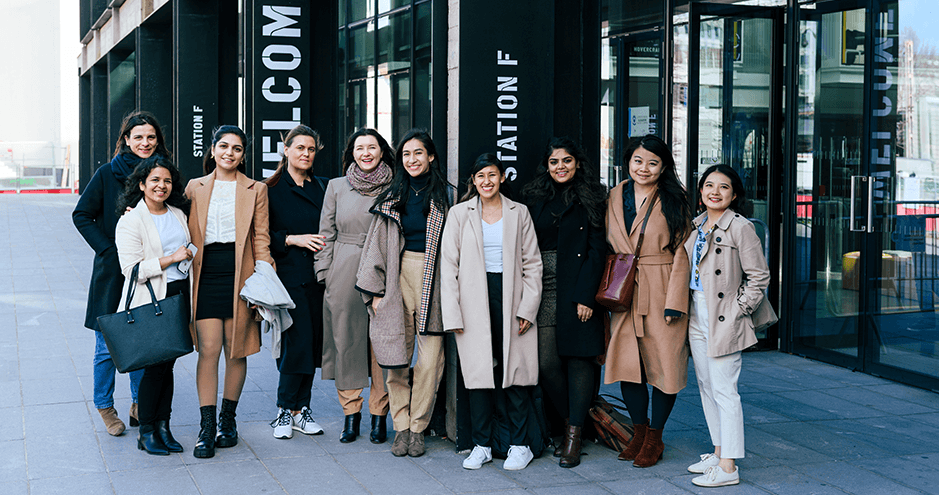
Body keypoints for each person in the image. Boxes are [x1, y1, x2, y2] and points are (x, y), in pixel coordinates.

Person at [441, 153, 543, 471]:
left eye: (492, 175)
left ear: (501, 178)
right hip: (473, 300)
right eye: (480, 176)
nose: (487, 181)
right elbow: (448, 267)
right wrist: (453, 314)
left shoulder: (519, 212)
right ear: (473, 181)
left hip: (511, 297)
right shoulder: (459, 214)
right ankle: (481, 444)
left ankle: (519, 445)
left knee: (515, 375)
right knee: (479, 376)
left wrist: (528, 308)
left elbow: (533, 264)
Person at [73, 111, 170, 436]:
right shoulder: (107, 174)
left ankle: (138, 403)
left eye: (151, 137)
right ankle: (105, 405)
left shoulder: (162, 174)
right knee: (106, 347)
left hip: (149, 272)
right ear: (126, 139)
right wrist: (109, 248)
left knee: (141, 343)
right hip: (113, 275)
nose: (145, 143)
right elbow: (82, 214)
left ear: (158, 141)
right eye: (138, 137)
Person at [356, 128, 450, 458]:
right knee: (396, 356)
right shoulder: (393, 197)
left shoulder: (446, 198)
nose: (412, 160)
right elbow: (376, 248)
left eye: (418, 153)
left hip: (435, 279)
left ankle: (420, 426)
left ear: (431, 156)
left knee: (429, 361)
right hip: (398, 277)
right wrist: (377, 293)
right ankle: (402, 427)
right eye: (406, 154)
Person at [604, 134, 692, 468]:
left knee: (666, 365)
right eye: (638, 161)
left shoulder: (673, 198)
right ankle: (638, 433)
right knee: (630, 366)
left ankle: (655, 437)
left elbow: (683, 251)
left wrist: (676, 302)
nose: (644, 168)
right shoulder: (614, 195)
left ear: (664, 167)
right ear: (628, 161)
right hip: (625, 290)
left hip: (663, 285)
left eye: (653, 163)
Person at [185, 125, 273, 458]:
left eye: (237, 148)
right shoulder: (195, 187)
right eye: (223, 146)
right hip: (205, 273)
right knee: (208, 348)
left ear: (243, 154)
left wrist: (262, 282)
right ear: (212, 150)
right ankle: (206, 427)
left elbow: (260, 238)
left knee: (236, 349)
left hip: (242, 274)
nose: (229, 153)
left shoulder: (256, 189)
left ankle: (227, 420)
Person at [684, 165, 775, 487]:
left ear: (734, 195)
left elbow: (759, 275)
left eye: (723, 187)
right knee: (707, 386)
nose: (715, 192)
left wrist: (739, 311)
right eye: (709, 185)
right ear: (700, 191)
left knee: (725, 390)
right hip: (696, 311)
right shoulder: (698, 225)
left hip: (723, 314)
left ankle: (728, 467)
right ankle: (719, 449)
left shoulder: (740, 226)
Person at [521, 137, 607, 468]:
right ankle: (573, 423)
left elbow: (598, 249)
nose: (561, 167)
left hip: (577, 285)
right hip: (541, 284)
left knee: (579, 360)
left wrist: (586, 296)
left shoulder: (592, 197)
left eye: (567, 161)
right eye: (555, 161)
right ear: (547, 165)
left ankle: (572, 436)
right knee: (546, 364)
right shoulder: (533, 196)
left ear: (578, 163)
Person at [316, 128, 394, 444]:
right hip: (344, 267)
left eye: (371, 147)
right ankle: (351, 415)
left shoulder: (395, 185)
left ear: (381, 151)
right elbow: (326, 233)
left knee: (382, 343)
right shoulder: (336, 186)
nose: (365, 153)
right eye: (359, 148)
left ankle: (379, 416)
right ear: (352, 152)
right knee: (345, 341)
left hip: (385, 265)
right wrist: (325, 272)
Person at [113, 156, 192, 455]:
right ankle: (146, 431)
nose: (162, 186)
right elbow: (131, 269)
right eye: (155, 180)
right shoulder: (131, 220)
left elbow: (186, 247)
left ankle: (163, 427)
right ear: (143, 184)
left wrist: (186, 257)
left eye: (167, 181)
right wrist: (171, 259)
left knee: (168, 364)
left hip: (177, 293)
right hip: (151, 299)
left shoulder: (177, 213)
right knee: (156, 367)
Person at [264, 125, 329, 440]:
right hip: (288, 276)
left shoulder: (323, 186)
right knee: (296, 342)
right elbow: (260, 235)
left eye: (311, 149)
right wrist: (292, 239)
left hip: (320, 276)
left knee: (312, 343)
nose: (305, 153)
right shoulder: (270, 189)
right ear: (285, 149)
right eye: (299, 147)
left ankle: (301, 410)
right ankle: (284, 410)